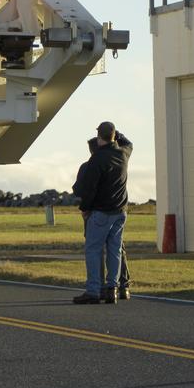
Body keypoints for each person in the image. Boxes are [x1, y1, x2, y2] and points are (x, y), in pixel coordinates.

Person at [72, 121, 133, 305]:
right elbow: (128, 142)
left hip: (101, 211)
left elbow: (89, 189)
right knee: (114, 250)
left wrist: (84, 209)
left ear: (99, 137)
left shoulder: (96, 159)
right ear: (113, 136)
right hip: (120, 211)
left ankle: (93, 291)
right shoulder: (124, 153)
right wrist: (116, 135)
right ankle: (112, 289)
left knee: (93, 250)